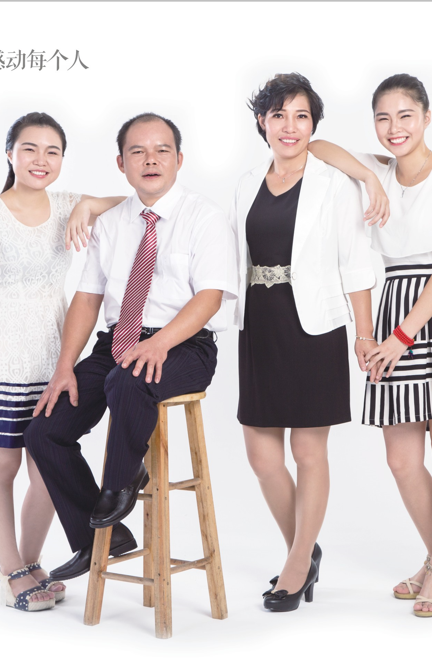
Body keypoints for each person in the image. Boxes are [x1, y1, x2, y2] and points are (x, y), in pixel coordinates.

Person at [24, 112, 237, 586]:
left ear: (179, 159)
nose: (150, 160)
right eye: (138, 152)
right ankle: (99, 537)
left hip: (183, 344)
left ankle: (121, 479)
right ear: (121, 163)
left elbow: (209, 297)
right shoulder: (112, 222)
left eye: (162, 150)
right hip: (117, 343)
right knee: (44, 431)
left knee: (130, 379)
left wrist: (159, 343)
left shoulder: (204, 216)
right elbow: (87, 297)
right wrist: (65, 367)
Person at [230, 73, 377, 612]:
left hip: (314, 325)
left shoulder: (335, 182)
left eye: (301, 116)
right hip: (259, 324)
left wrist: (364, 333)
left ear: (314, 125)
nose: (289, 127)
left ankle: (295, 564)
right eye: (279, 115)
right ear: (262, 122)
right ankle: (306, 549)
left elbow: (355, 264)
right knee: (261, 454)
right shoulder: (246, 183)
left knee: (308, 451)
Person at [309, 73, 432, 618]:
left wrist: (402, 336)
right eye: (383, 117)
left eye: (405, 115)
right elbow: (315, 146)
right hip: (392, 306)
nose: (394, 127)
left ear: (426, 117)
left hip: (418, 315)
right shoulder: (377, 170)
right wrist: (367, 175)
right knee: (403, 461)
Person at [0, 111, 128, 612]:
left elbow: (139, 201)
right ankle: (11, 568)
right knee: (5, 467)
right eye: (30, 148)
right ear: (10, 153)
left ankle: (29, 561)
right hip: (5, 357)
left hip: (54, 357)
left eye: (52, 151)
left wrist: (90, 204)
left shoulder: (68, 206)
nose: (41, 159)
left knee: (47, 467)